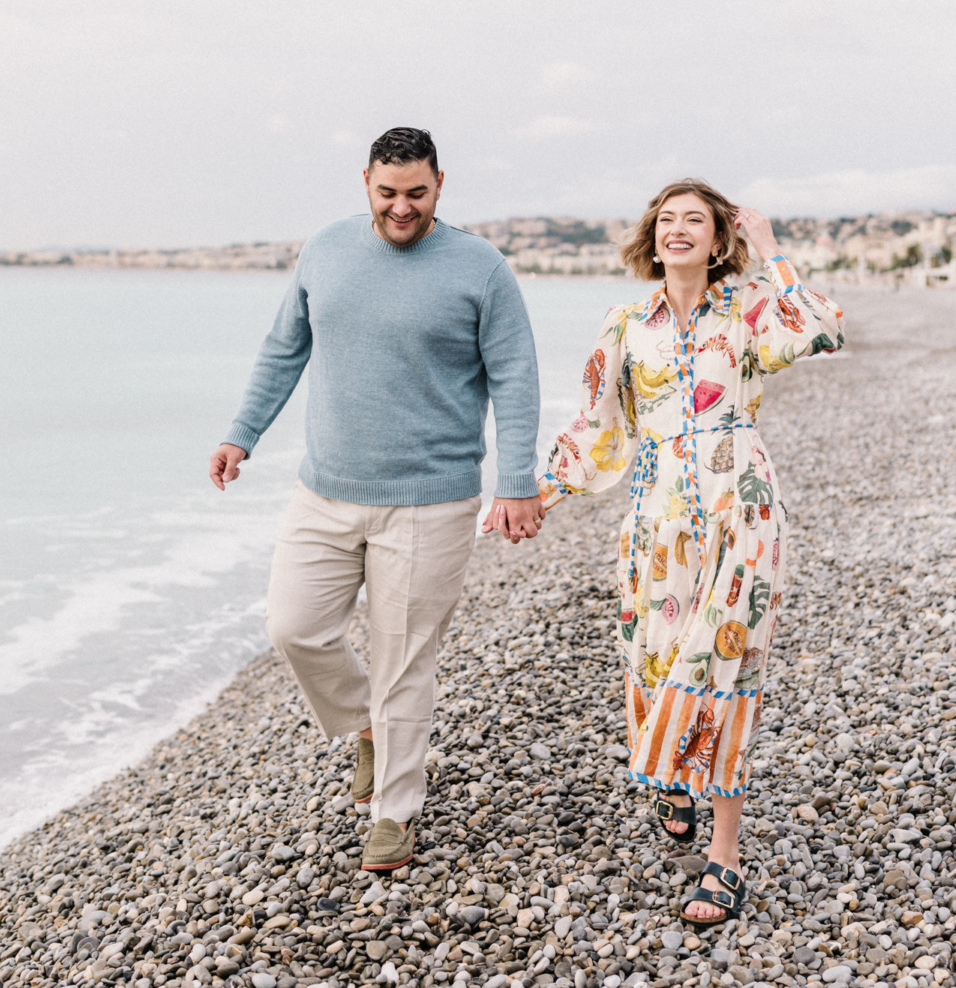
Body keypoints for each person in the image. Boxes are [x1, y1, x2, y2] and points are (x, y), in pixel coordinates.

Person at [208, 127, 544, 871]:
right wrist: (242, 434)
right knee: (294, 628)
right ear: (365, 182)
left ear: (440, 184)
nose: (401, 208)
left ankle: (395, 812)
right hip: (324, 491)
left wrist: (517, 480)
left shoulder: (480, 267)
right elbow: (283, 348)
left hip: (432, 500)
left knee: (403, 663)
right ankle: (365, 726)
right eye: (388, 193)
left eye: (416, 193)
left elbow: (516, 377)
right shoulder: (324, 250)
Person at [537, 179, 843, 925]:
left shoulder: (744, 310)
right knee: (656, 659)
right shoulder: (624, 325)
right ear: (652, 236)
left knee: (724, 662)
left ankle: (725, 860)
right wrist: (536, 492)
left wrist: (769, 250)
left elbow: (823, 329)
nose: (679, 230)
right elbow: (598, 426)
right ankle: (674, 780)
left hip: (744, 512)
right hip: (658, 519)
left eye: (695, 220)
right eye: (667, 219)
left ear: (717, 239)